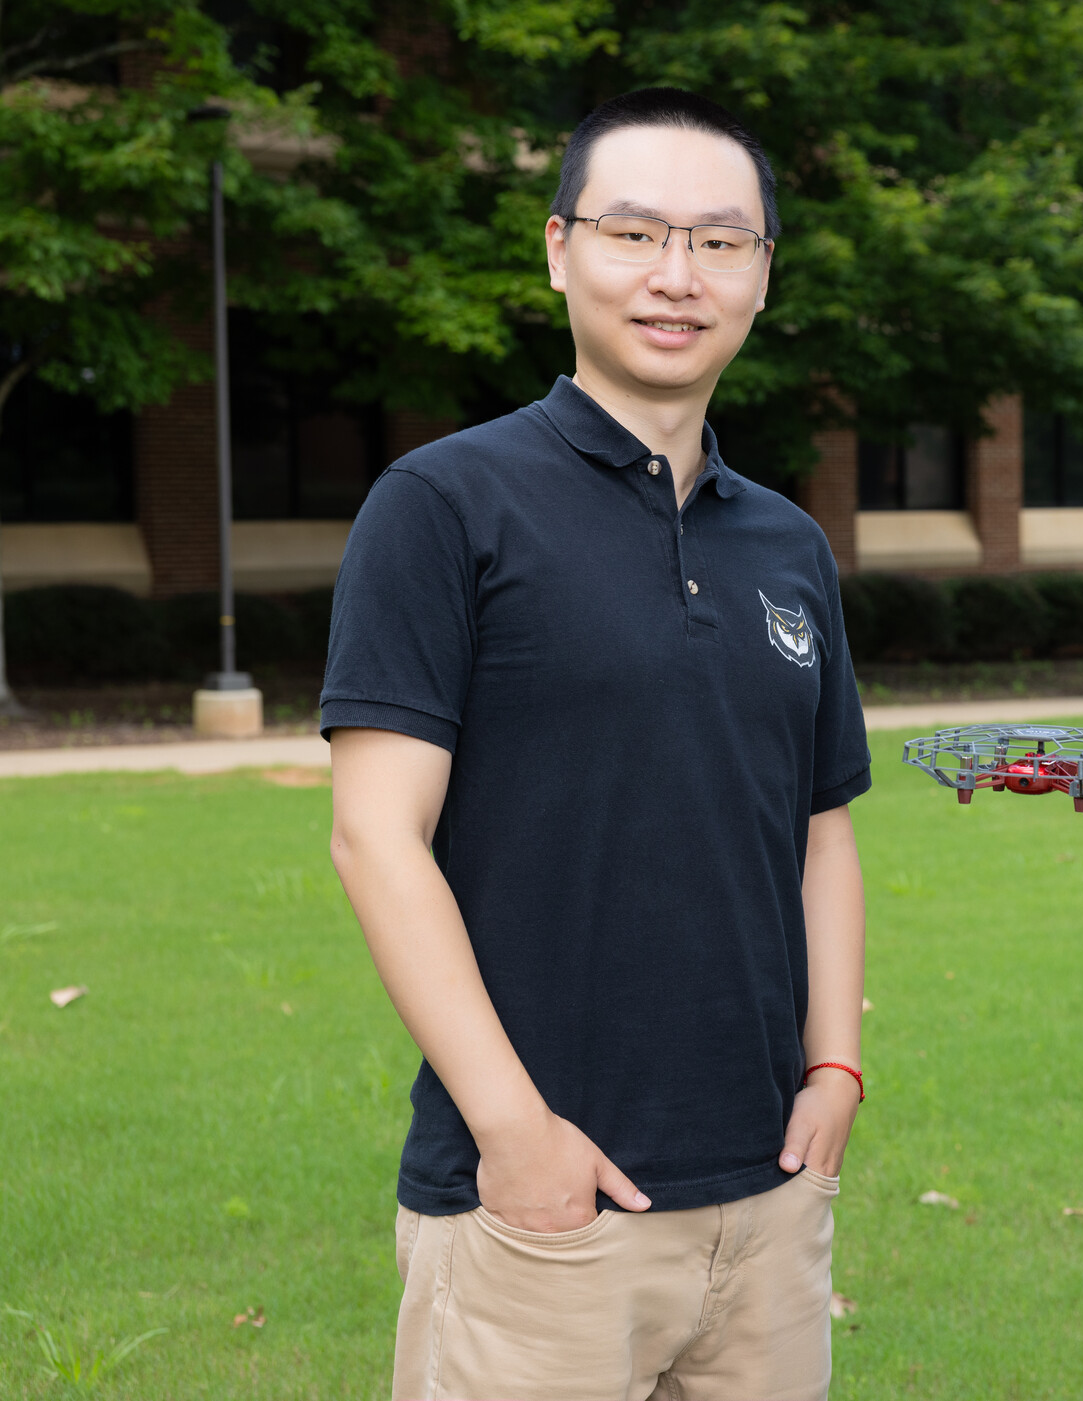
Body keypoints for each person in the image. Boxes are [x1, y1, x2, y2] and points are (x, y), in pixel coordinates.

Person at [324, 88, 870, 1401]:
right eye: (636, 232)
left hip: (770, 1204)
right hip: (538, 1214)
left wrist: (837, 1066)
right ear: (560, 249)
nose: (676, 275)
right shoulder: (444, 504)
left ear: (762, 277)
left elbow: (821, 829)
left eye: (720, 242)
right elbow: (373, 833)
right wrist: (517, 1137)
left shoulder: (788, 546)